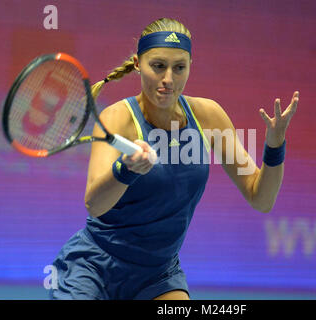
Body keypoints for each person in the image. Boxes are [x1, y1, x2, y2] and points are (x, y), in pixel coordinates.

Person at [49, 17, 299, 300]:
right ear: (137, 64)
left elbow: (261, 198)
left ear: (190, 65)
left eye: (179, 67)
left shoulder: (209, 117)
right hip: (95, 266)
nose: (168, 79)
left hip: (158, 275)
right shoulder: (117, 119)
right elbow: (94, 204)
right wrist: (126, 169)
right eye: (158, 66)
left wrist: (275, 145)